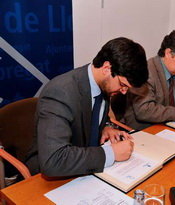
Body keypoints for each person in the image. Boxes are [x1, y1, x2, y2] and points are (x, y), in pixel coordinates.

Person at [25, 37, 149, 177]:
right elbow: (54, 160)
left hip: (85, 166)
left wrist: (105, 127)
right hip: (50, 177)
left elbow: (89, 114)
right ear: (107, 68)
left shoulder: (102, 84)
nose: (124, 91)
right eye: (123, 84)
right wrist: (111, 153)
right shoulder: (60, 92)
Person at [118, 30, 175, 130]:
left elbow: (174, 101)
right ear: (168, 53)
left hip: (165, 126)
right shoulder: (147, 72)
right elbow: (144, 111)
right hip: (142, 130)